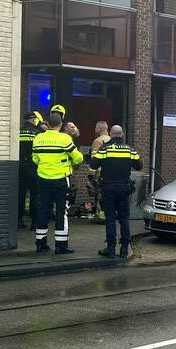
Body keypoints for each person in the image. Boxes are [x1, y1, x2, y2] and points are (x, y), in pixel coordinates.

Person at [32, 111, 84, 254]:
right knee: (62, 211)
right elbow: (78, 158)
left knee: (43, 210)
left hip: (43, 179)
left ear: (47, 124)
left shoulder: (38, 138)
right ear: (61, 125)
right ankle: (61, 245)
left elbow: (35, 159)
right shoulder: (64, 139)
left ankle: (40, 244)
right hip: (61, 180)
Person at [89, 125, 142, 259]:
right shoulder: (129, 149)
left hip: (108, 188)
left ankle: (111, 248)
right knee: (124, 219)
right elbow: (139, 166)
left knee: (110, 219)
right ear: (122, 135)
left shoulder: (104, 149)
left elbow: (93, 165)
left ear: (111, 135)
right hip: (124, 188)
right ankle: (124, 248)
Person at [17, 112, 42, 229]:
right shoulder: (37, 133)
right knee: (35, 194)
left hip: (20, 166)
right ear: (33, 120)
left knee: (20, 194)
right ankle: (34, 222)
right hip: (33, 167)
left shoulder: (18, 132)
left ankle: (19, 220)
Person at [89, 121, 110, 220]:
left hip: (99, 174)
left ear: (101, 129)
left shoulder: (98, 141)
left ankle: (101, 216)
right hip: (110, 174)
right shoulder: (111, 140)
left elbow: (94, 160)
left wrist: (91, 176)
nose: (94, 129)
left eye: (96, 127)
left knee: (99, 195)